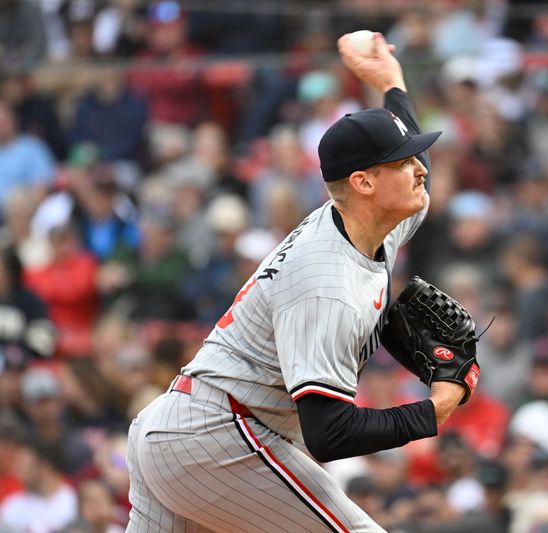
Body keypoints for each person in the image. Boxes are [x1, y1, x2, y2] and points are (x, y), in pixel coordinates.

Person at [125, 33, 470, 532]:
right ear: (363, 182)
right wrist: (431, 412)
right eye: (404, 161)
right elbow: (329, 433)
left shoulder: (371, 217)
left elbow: (419, 172)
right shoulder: (324, 281)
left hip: (183, 430)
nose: (420, 169)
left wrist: (391, 82)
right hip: (218, 435)